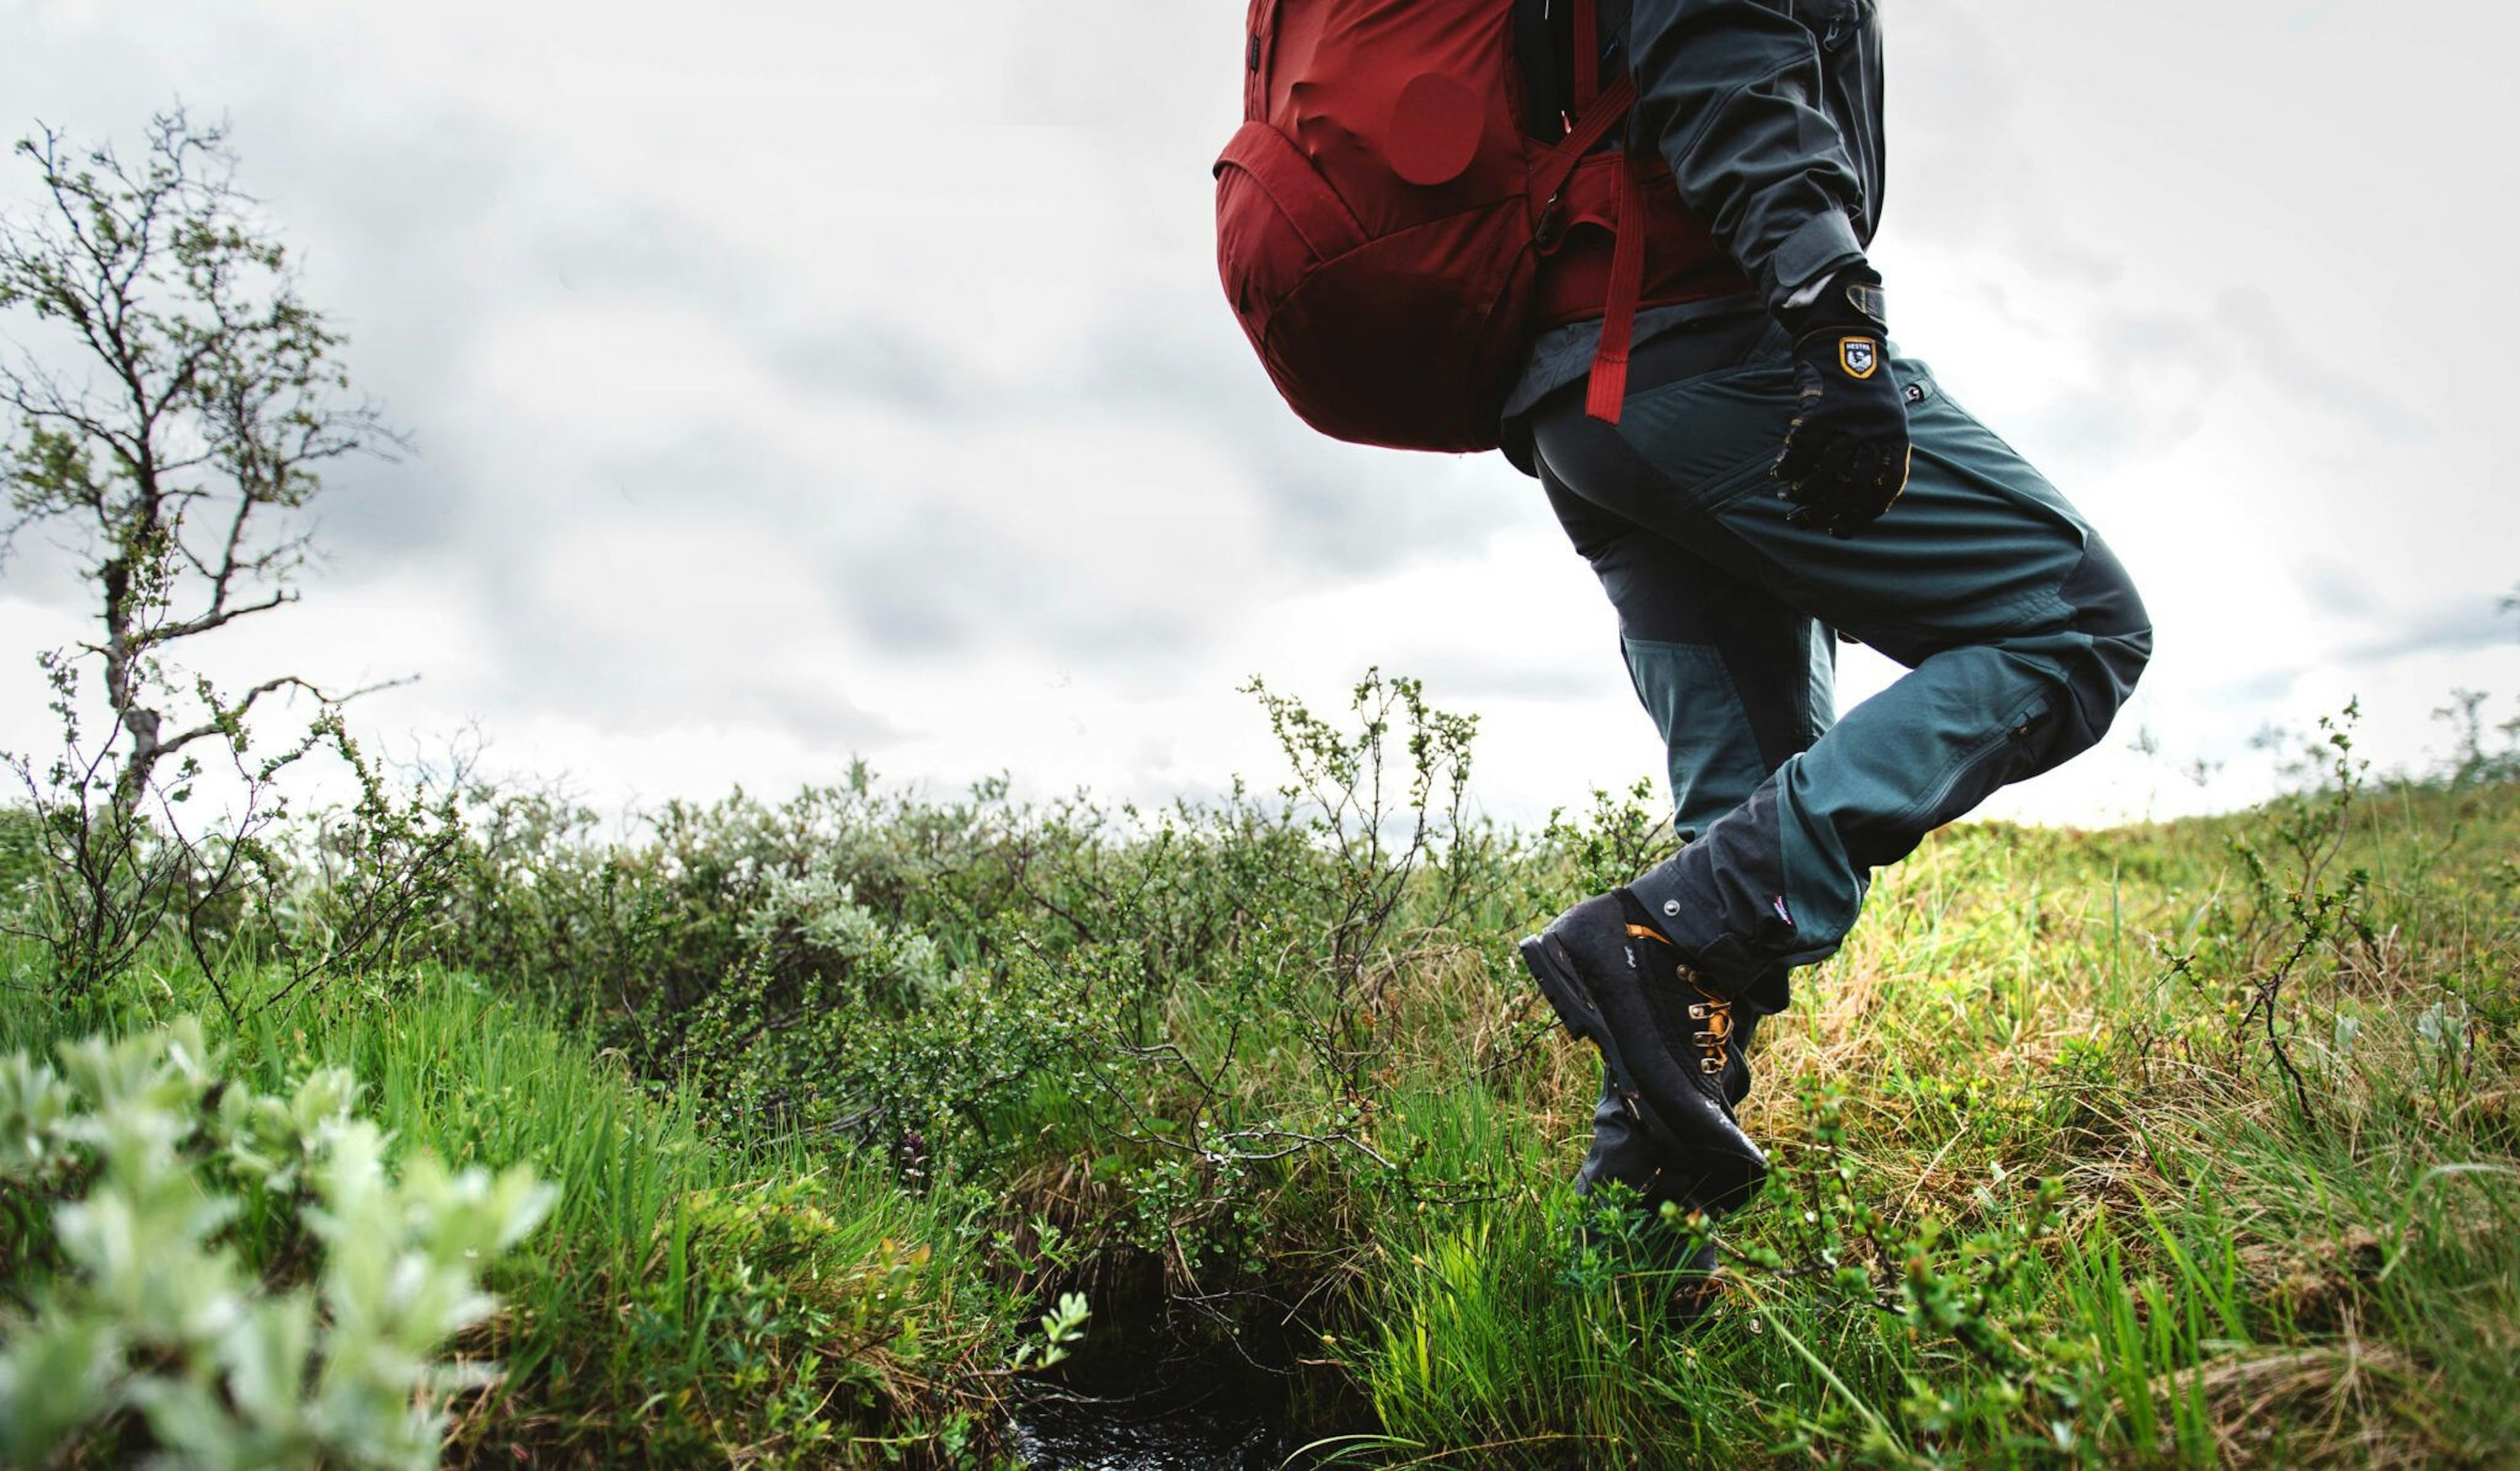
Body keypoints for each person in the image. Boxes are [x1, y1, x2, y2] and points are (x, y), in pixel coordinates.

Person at [1502, 0, 2153, 1305]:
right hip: (1704, 349)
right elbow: (1721, 60)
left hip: (1587, 403)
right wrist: (1836, 325)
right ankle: (1661, 932)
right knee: (2075, 624)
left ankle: (1620, 1299)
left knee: (1741, 824)